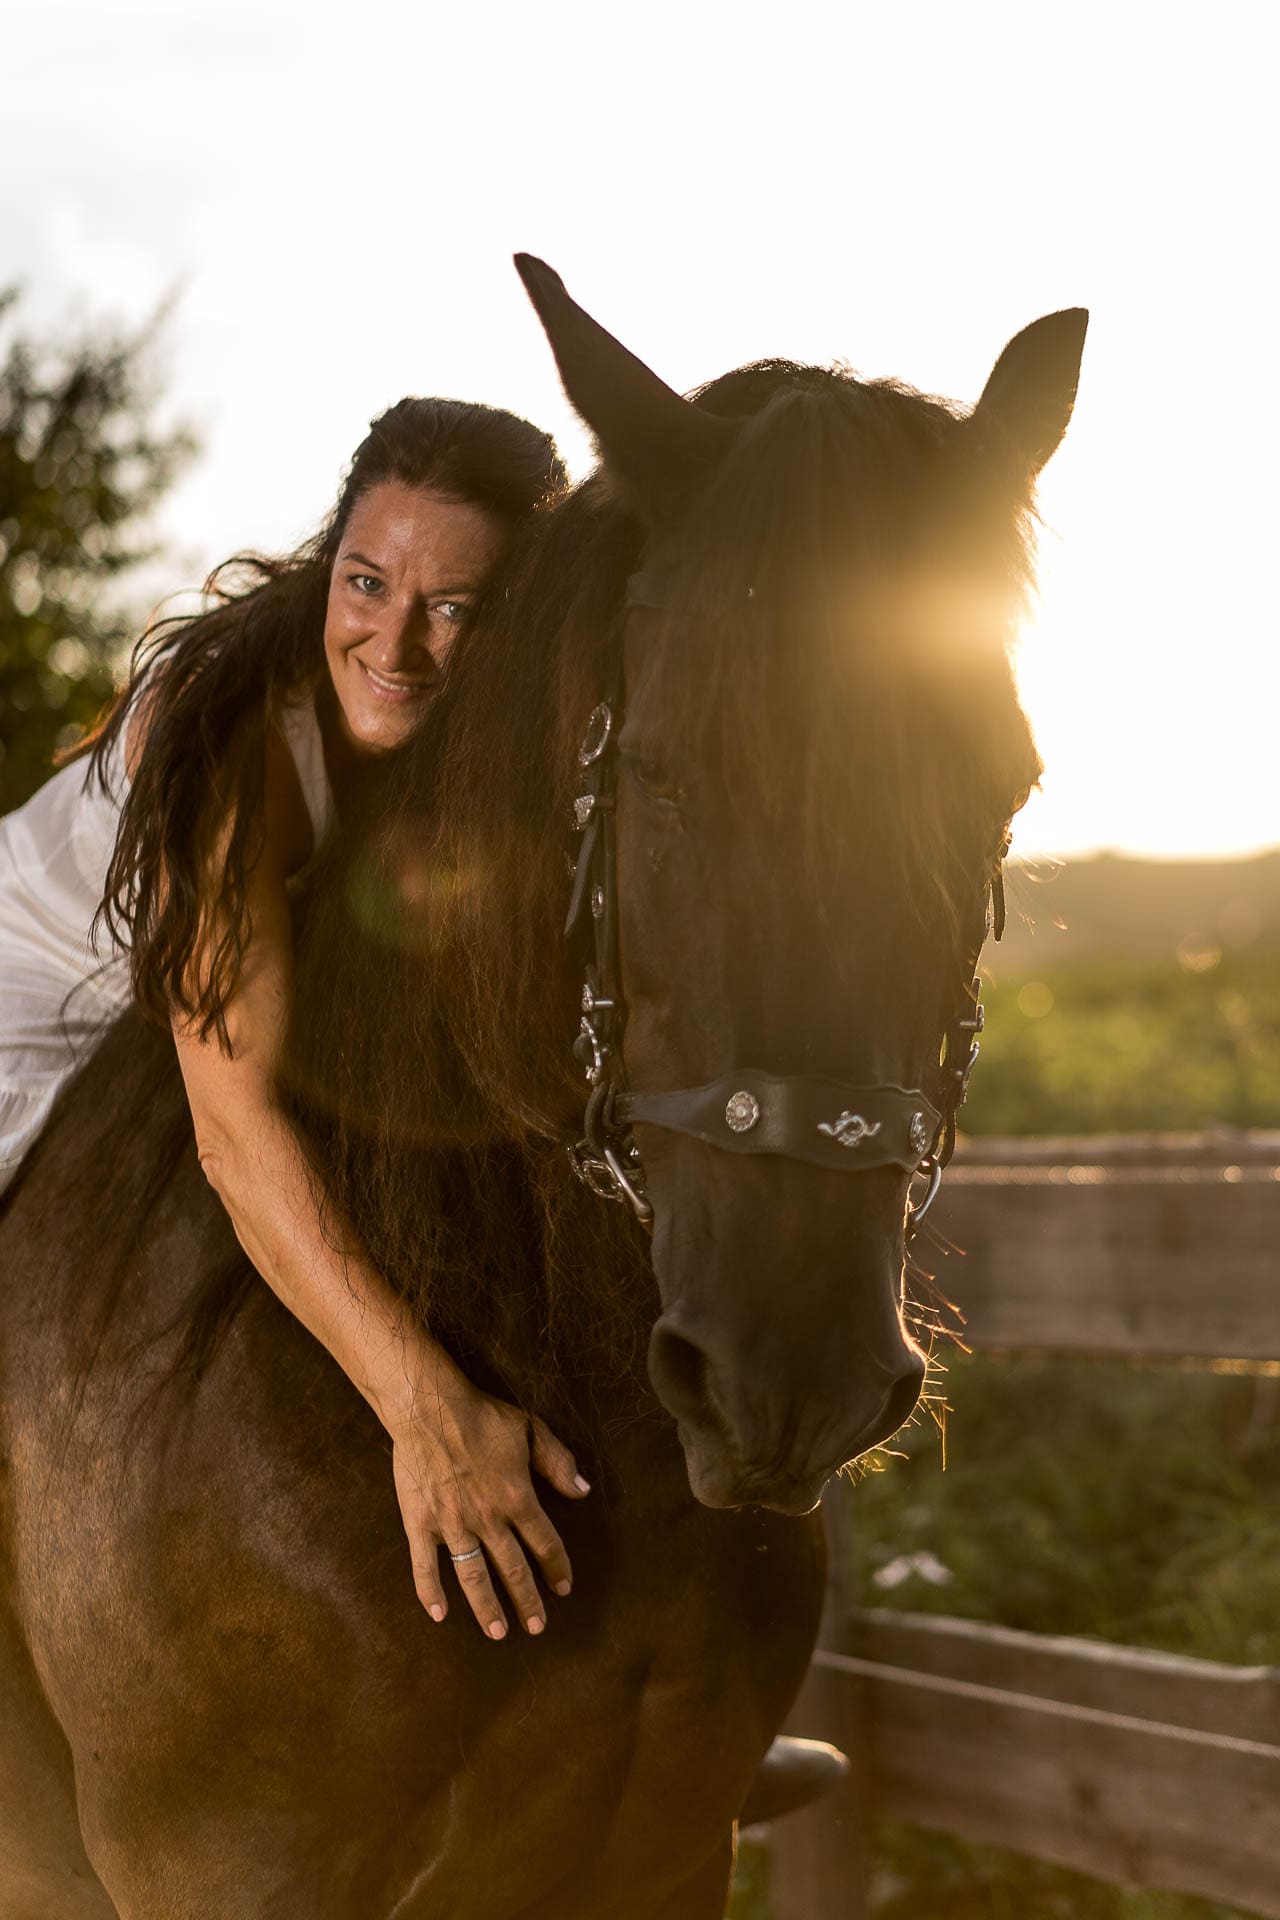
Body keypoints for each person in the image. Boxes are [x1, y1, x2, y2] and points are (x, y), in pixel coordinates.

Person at [0, 395, 842, 1819]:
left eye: (452, 608)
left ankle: (655, 1698)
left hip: (286, 993)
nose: (390, 646)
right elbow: (232, 1129)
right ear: (330, 560)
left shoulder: (532, 719)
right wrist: (423, 1407)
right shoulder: (231, 746)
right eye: (366, 583)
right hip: (41, 1013)